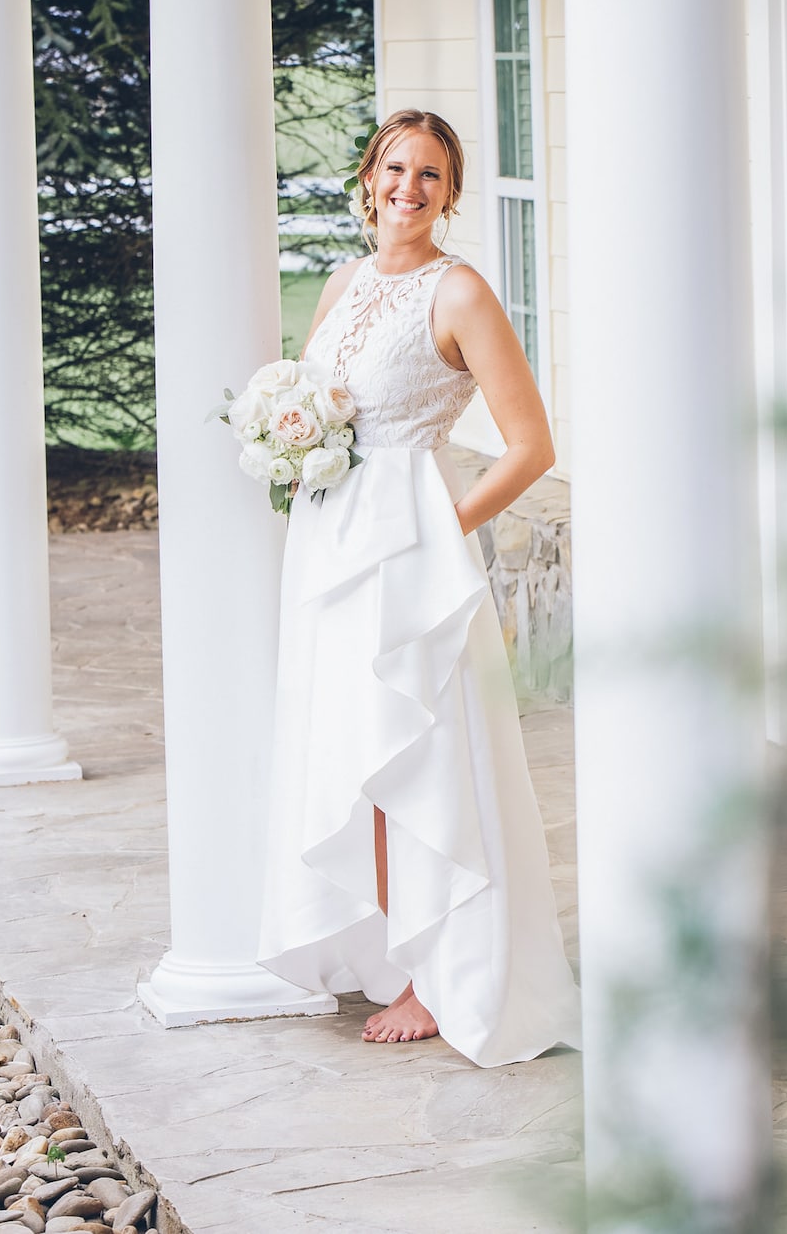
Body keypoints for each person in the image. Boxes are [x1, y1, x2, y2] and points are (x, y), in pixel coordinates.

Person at [253, 109, 581, 1065]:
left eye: (430, 175)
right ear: (368, 178)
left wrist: (446, 526)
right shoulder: (344, 281)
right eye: (395, 168)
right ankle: (386, 948)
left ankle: (433, 975)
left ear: (451, 191)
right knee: (348, 743)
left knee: (414, 753)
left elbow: (533, 447)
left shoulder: (461, 292)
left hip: (410, 550)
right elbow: (315, 400)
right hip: (330, 544)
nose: (409, 188)